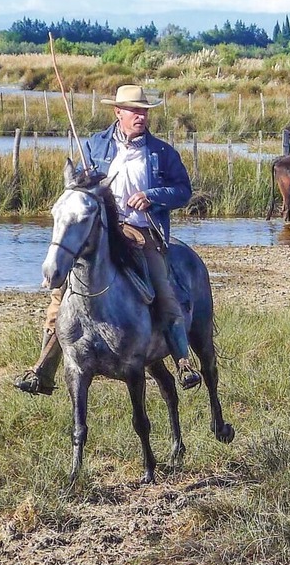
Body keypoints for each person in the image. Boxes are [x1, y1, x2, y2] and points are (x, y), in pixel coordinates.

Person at [14, 84, 202, 395]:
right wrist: (83, 183)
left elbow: (183, 191)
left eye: (144, 111)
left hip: (142, 231)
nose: (140, 116)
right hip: (100, 229)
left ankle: (183, 360)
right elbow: (78, 188)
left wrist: (153, 196)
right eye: (134, 110)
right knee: (60, 295)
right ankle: (43, 368)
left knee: (165, 291)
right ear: (118, 112)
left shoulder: (162, 153)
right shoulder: (94, 146)